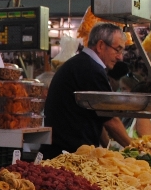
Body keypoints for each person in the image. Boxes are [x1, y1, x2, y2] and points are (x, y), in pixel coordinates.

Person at [42, 23, 131, 157]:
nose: (120, 57)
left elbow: (97, 116)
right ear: (101, 46)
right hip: (68, 155)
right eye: (117, 50)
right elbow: (111, 121)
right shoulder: (90, 70)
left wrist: (109, 150)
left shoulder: (82, 64)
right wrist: (136, 149)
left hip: (67, 151)